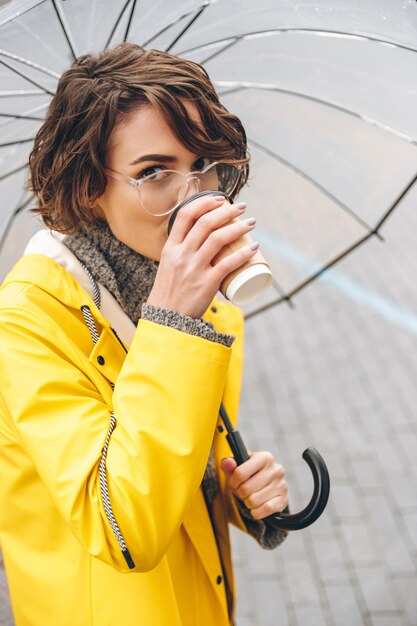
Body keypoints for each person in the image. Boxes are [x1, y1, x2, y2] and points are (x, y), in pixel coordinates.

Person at [0, 43, 289, 626]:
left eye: (205, 162)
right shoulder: (28, 323)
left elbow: (163, 465)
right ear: (87, 188)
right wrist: (175, 321)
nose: (196, 194)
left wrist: (234, 494)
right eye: (153, 172)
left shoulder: (210, 310)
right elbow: (121, 527)